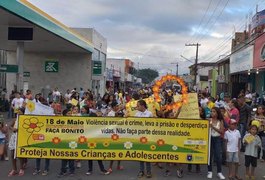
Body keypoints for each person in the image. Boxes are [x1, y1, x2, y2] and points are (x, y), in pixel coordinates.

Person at [135, 100, 153, 178]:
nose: (137, 107)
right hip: (139, 137)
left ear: (143, 106)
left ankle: (148, 171)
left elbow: (153, 124)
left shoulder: (149, 114)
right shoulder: (136, 114)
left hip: (148, 137)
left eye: (138, 105)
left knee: (147, 154)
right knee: (141, 154)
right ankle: (141, 171)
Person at [207, 107, 225, 179]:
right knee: (209, 156)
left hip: (217, 139)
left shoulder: (220, 121)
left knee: (218, 156)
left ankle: (219, 172)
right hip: (210, 138)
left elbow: (222, 131)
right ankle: (209, 171)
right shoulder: (208, 120)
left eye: (214, 111)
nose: (212, 113)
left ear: (217, 113)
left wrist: (213, 127)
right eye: (211, 111)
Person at [107, 101, 123, 173]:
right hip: (113, 134)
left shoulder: (120, 112)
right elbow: (111, 123)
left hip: (119, 133)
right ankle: (110, 167)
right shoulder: (110, 113)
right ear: (113, 107)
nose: (118, 107)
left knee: (120, 151)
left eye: (118, 106)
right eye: (116, 106)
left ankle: (118, 165)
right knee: (113, 151)